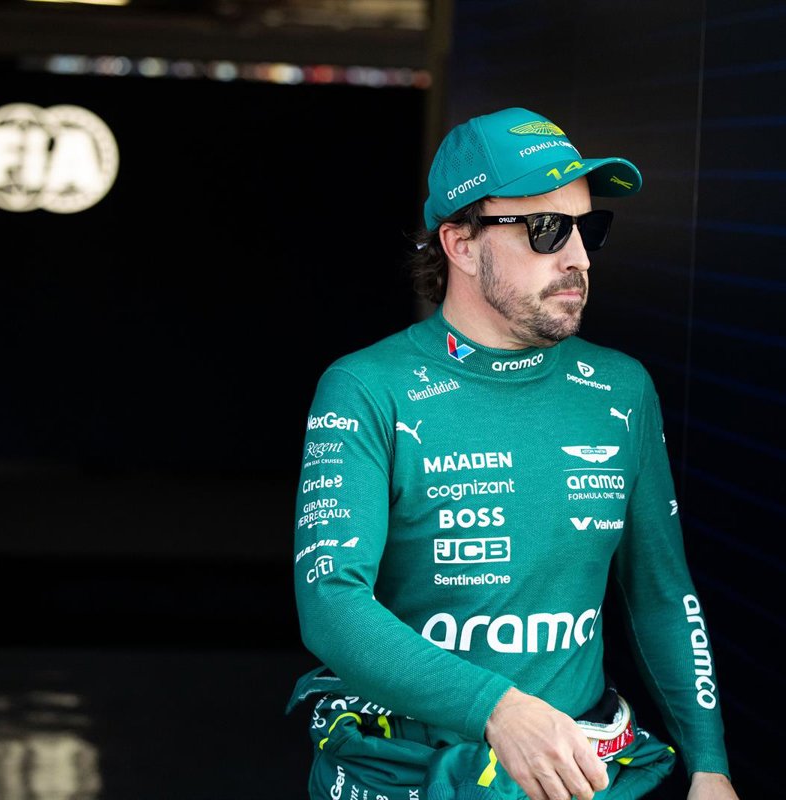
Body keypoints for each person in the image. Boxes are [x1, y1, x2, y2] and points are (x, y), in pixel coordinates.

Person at [285, 106, 739, 800]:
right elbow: (330, 601)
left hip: (582, 772)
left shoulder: (621, 389)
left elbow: (661, 593)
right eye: (547, 229)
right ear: (461, 244)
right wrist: (497, 709)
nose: (579, 257)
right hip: (405, 773)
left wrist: (709, 764)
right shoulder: (367, 388)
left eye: (589, 228)